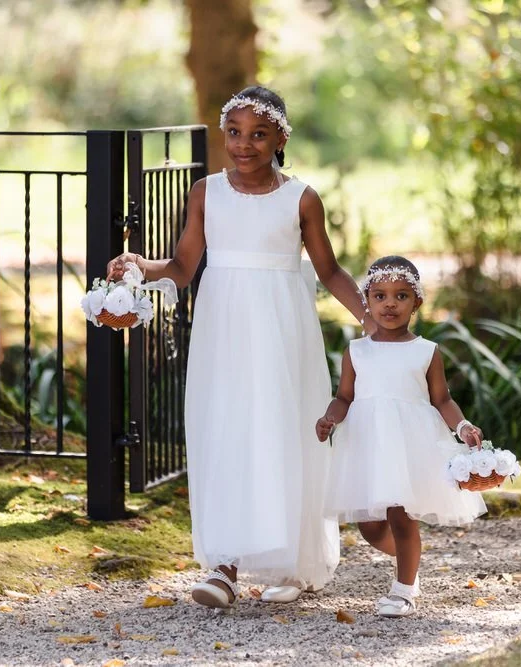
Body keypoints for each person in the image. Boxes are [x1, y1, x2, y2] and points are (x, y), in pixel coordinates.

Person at [106, 85, 374, 608]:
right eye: (234, 133)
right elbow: (182, 268)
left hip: (282, 331)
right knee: (226, 431)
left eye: (258, 134)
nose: (244, 144)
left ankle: (291, 562)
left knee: (282, 433)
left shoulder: (301, 199)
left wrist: (371, 320)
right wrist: (139, 264)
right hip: (223, 330)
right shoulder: (207, 192)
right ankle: (224, 568)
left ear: (281, 137)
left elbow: (330, 270)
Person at [316, 255, 488, 618]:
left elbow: (442, 399)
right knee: (370, 527)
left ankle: (404, 588)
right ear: (367, 301)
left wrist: (463, 427)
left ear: (417, 302)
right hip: (368, 444)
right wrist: (330, 419)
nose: (389, 303)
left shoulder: (425, 352)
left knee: (400, 515)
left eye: (400, 296)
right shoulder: (356, 351)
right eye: (379, 296)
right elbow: (344, 396)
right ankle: (411, 557)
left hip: (408, 444)